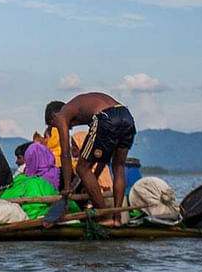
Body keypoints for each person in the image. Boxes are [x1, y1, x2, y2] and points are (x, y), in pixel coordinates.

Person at [48, 92, 136, 225]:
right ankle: (116, 219)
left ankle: (104, 217)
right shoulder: (78, 106)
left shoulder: (61, 114)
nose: (58, 129)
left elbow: (65, 153)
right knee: (118, 166)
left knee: (82, 168)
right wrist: (92, 178)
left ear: (53, 116)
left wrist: (67, 189)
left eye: (53, 126)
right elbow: (104, 159)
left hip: (106, 117)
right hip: (126, 115)